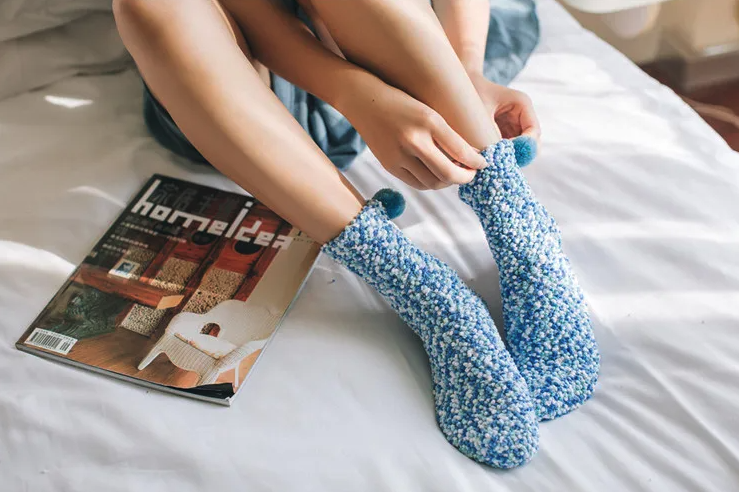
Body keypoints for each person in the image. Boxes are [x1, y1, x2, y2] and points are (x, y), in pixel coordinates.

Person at [113, 0, 599, 469]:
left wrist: (465, 70)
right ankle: (430, 294)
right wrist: (359, 96)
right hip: (234, 80)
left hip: (413, 50)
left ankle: (523, 235)